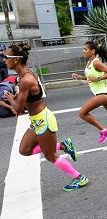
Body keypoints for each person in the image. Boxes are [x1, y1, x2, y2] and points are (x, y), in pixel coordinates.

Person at [4, 43, 87, 191]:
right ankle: (63, 146)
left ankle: (79, 178)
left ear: (16, 59)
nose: (4, 60)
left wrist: (10, 98)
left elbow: (18, 109)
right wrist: (16, 96)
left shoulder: (26, 80)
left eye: (6, 57)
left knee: (50, 156)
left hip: (44, 120)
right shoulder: (22, 77)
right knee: (24, 150)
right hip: (36, 121)